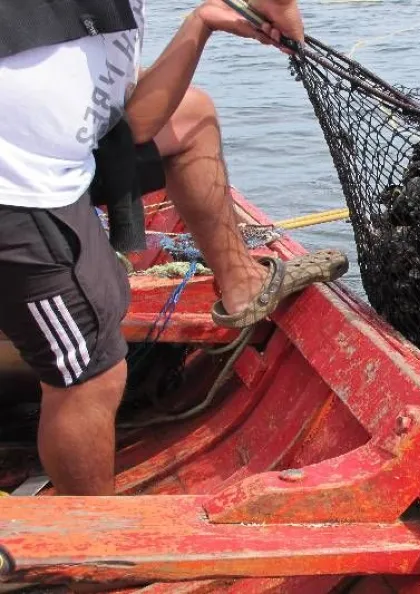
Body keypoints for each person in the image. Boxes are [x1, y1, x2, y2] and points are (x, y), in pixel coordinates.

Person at [0, 0, 346, 495]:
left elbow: (139, 123)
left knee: (190, 115)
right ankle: (94, 532)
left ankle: (243, 284)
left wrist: (200, 24)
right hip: (20, 189)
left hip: (59, 156)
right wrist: (281, 11)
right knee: (89, 374)